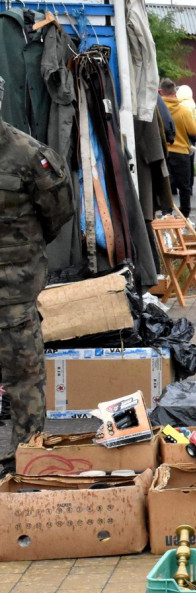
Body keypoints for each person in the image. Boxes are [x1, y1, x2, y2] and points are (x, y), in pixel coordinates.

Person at [0, 76, 76, 472]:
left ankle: (25, 459)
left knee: (24, 376)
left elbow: (58, 211)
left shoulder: (29, 155)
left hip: (12, 291)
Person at [159, 78, 196, 218]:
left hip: (163, 152)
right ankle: (184, 215)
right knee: (184, 187)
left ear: (160, 92)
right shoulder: (184, 111)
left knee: (165, 186)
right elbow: (193, 131)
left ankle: (166, 213)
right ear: (175, 92)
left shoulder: (156, 110)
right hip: (181, 153)